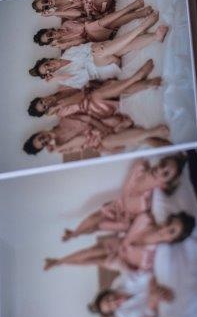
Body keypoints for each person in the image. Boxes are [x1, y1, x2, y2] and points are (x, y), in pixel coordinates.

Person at [60, 153, 187, 240]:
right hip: (118, 204)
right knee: (95, 216)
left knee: (97, 227)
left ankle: (76, 234)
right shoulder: (140, 166)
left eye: (165, 174)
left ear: (164, 185)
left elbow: (137, 220)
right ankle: (74, 234)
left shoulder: (145, 202)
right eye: (162, 164)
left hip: (123, 221)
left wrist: (124, 221)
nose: (159, 170)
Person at [28, 10, 168, 84]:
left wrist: (97, 48)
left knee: (118, 49)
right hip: (102, 69)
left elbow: (88, 46)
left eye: (47, 65)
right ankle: (142, 27)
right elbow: (85, 77)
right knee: (100, 52)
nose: (51, 67)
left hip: (105, 50)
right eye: (49, 71)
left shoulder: (68, 53)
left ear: (47, 60)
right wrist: (58, 77)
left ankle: (155, 37)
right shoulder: (64, 79)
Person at [43, 210, 195, 272]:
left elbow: (134, 267)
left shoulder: (152, 255)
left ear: (172, 239)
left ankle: (59, 262)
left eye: (171, 231)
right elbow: (129, 228)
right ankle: (58, 261)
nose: (165, 228)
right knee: (90, 252)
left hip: (118, 261)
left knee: (92, 261)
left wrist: (122, 257)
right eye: (169, 223)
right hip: (114, 243)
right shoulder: (146, 219)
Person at [28, 61, 161, 121]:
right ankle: (136, 77)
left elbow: (81, 82)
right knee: (98, 95)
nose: (46, 103)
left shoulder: (61, 88)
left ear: (42, 97)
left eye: (42, 101)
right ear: (47, 111)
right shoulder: (61, 112)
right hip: (95, 107)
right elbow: (81, 99)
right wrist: (59, 105)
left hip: (93, 89)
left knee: (109, 88)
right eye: (44, 107)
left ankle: (147, 84)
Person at [23, 116, 169, 159]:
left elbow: (89, 120)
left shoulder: (63, 121)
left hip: (102, 125)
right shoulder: (61, 148)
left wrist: (103, 129)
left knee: (110, 136)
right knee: (107, 141)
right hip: (99, 141)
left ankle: (151, 134)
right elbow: (83, 141)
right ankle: (149, 136)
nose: (44, 140)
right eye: (43, 143)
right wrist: (59, 147)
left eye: (40, 138)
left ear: (40, 132)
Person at [33, 0, 151, 46]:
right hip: (96, 37)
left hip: (99, 23)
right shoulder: (63, 43)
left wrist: (55, 13)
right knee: (91, 27)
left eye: (49, 34)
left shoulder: (65, 24)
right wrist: (67, 43)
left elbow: (78, 14)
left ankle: (139, 14)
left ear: (50, 30)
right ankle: (130, 8)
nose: (52, 36)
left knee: (106, 24)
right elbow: (83, 40)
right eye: (50, 40)